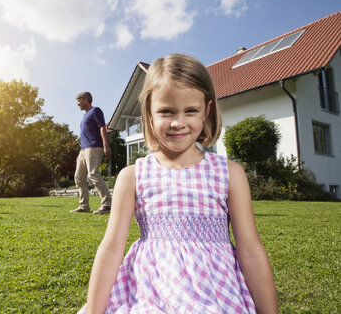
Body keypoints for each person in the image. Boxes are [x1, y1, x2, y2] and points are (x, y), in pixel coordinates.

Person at [78, 54, 278, 313]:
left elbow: (250, 251)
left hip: (214, 292)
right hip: (149, 291)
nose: (178, 122)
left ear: (207, 110)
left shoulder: (229, 173)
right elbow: (111, 249)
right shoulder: (133, 175)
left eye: (191, 111)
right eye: (166, 111)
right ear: (149, 113)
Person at [71, 92, 112, 215]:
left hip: (94, 147)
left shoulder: (95, 111)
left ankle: (107, 204)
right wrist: (80, 153)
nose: (77, 103)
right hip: (84, 150)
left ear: (86, 99)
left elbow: (102, 128)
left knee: (93, 174)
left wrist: (106, 145)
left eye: (79, 100)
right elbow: (85, 136)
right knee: (78, 177)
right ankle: (84, 206)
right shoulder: (85, 116)